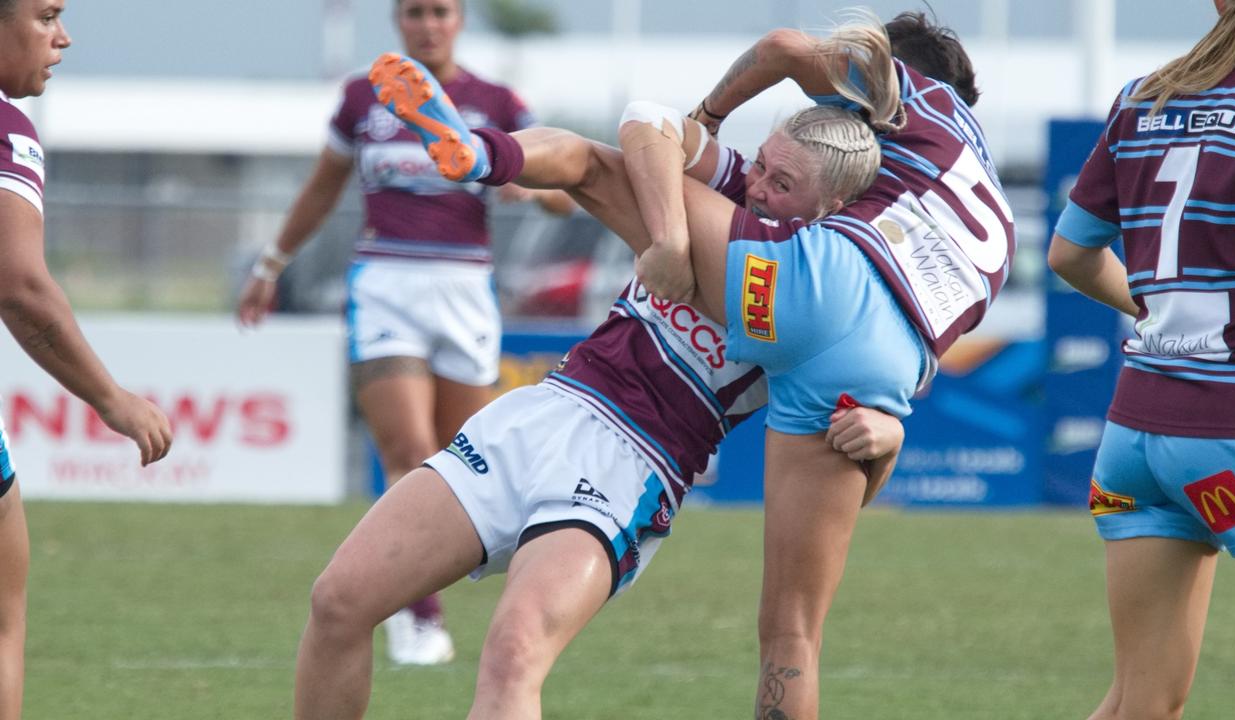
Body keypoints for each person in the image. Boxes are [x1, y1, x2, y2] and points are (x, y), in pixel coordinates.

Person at [364, 9, 1010, 715]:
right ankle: (483, 155)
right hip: (880, 357)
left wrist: (687, 181)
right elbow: (900, 352)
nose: (763, 181)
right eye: (764, 168)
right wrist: (890, 430)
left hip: (716, 372)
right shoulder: (979, 215)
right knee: (793, 635)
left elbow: (746, 68)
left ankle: (485, 155)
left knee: (596, 164)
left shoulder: (896, 109)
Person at [293, 88, 909, 716]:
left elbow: (846, 483)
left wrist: (888, 437)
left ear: (834, 207)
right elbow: (597, 154)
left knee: (513, 652)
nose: (757, 186)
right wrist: (485, 155)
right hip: (545, 411)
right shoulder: (718, 201)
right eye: (761, 164)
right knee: (339, 600)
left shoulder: (829, 311)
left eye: (783, 183)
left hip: (630, 471)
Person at [236, 0, 569, 666]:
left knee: (460, 462)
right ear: (397, 21)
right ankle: (417, 615)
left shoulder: (497, 101)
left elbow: (567, 186)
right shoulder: (362, 97)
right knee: (409, 449)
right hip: (386, 283)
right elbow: (321, 189)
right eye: (414, 12)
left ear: (460, 19)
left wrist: (528, 188)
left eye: (440, 11)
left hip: (466, 288)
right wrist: (272, 263)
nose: (428, 24)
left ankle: (413, 585)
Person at [1048, 1, 1235, 718]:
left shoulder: (1147, 95)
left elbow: (1071, 254)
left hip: (1136, 439)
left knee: (1137, 706)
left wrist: (1159, 316)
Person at [0, 1, 174, 716]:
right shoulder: (9, 132)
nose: (63, 37)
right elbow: (21, 286)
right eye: (46, 15)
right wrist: (113, 399)